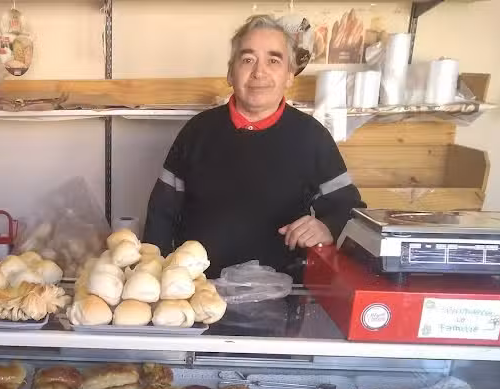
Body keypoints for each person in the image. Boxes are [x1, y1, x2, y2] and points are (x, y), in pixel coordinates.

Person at [143, 15, 364, 278]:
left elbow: (350, 211)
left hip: (282, 298)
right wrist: (152, 276)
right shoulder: (196, 132)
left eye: (273, 60)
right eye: (247, 60)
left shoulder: (312, 138)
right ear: (230, 72)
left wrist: (328, 227)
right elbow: (160, 215)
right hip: (198, 294)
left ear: (290, 75)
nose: (259, 72)